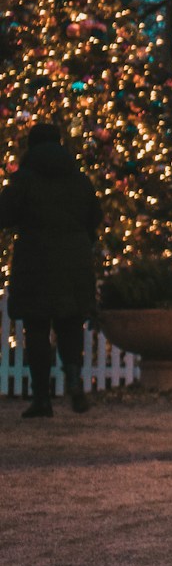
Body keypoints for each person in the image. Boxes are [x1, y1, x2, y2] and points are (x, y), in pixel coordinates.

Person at [0, 123, 102, 417]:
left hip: (35, 261)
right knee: (70, 324)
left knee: (36, 329)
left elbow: (5, 214)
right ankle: (73, 377)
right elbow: (94, 215)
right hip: (74, 261)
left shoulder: (25, 180)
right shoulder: (79, 180)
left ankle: (42, 398)